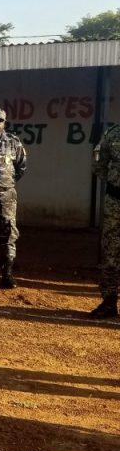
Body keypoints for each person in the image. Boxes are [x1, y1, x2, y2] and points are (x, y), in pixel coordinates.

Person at [0, 107, 27, 288]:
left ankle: (7, 273)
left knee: (7, 234)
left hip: (5, 196)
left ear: (4, 123)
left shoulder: (13, 142)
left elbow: (21, 167)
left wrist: (4, 185)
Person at [90, 123, 120, 319]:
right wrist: (113, 182)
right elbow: (98, 163)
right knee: (111, 251)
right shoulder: (113, 133)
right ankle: (109, 301)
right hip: (115, 202)